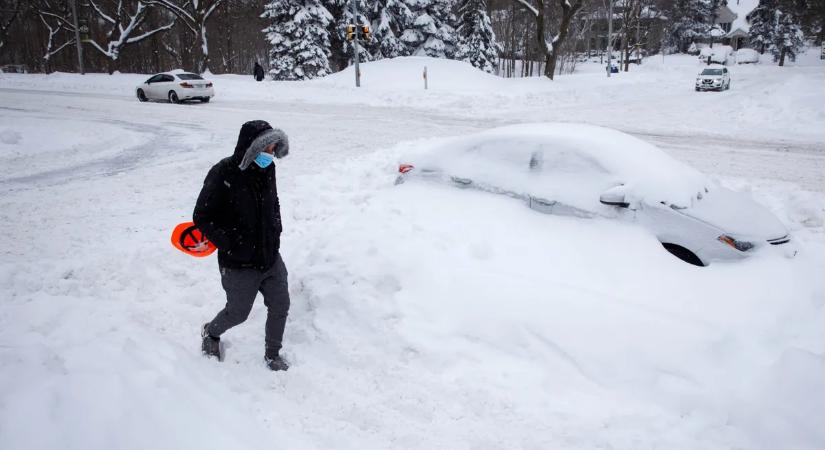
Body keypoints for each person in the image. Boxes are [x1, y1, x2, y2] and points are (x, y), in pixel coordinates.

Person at [193, 120, 291, 371]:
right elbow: (202, 216)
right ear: (251, 147)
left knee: (280, 305)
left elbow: (274, 202)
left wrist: (276, 229)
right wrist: (230, 243)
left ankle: (273, 354)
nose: (271, 155)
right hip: (238, 262)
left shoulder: (268, 170)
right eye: (267, 149)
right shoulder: (223, 172)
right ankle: (211, 332)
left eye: (273, 149)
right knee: (238, 313)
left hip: (270, 256)